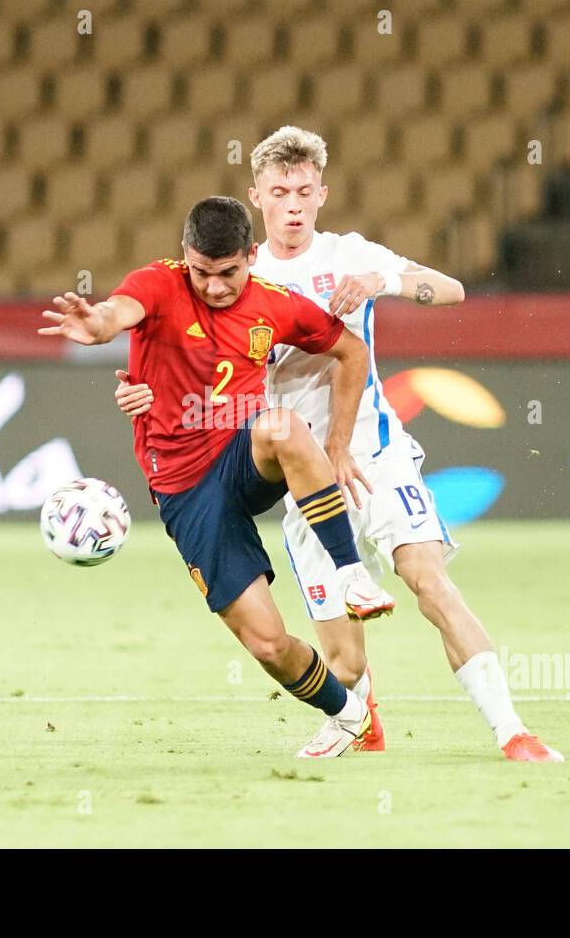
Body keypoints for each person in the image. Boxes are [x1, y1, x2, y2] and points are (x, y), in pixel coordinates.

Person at [115, 127, 563, 762]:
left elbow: (453, 290)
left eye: (303, 190)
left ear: (322, 194)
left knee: (427, 580)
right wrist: (145, 395)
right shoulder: (238, 274)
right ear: (256, 199)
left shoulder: (351, 253)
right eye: (279, 191)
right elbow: (189, 365)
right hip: (306, 477)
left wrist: (381, 279)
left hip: (374, 454)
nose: (293, 204)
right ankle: (360, 718)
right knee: (344, 662)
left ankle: (512, 730)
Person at [40, 196, 396, 758]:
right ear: (186, 257)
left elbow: (351, 351)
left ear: (251, 257)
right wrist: (97, 323)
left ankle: (350, 573)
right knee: (266, 642)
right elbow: (117, 312)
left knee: (281, 426)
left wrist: (337, 443)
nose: (213, 287)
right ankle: (349, 714)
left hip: (240, 451)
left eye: (228, 272)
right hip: (184, 489)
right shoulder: (158, 283)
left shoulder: (276, 304)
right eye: (202, 272)